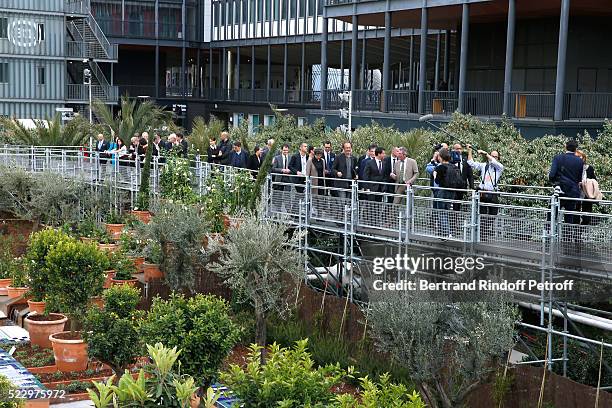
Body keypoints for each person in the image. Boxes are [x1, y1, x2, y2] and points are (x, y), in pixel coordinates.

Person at [549, 140, 584, 225]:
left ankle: (549, 234)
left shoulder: (558, 158)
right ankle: (567, 237)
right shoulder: (580, 161)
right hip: (572, 192)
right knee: (569, 218)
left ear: (565, 146)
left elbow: (552, 175)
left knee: (552, 215)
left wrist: (554, 181)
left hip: (560, 191)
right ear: (576, 149)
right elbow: (579, 179)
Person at [433, 148, 455, 238]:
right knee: (446, 211)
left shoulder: (440, 167)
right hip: (451, 192)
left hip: (442, 192)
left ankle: (447, 233)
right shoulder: (453, 166)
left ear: (441, 157)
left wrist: (435, 176)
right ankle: (444, 233)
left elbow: (437, 181)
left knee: (442, 212)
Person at [575, 150, 598, 225]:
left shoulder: (589, 168)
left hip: (587, 194)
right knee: (575, 215)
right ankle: (575, 234)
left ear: (584, 158)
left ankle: (580, 231)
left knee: (587, 217)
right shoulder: (573, 168)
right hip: (576, 194)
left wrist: (586, 182)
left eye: (580, 157)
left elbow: (594, 180)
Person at [451, 143, 474, 211]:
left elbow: (470, 174)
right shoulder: (450, 159)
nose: (459, 150)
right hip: (452, 186)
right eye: (457, 149)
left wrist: (472, 187)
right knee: (452, 205)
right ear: (453, 150)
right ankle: (452, 220)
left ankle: (455, 221)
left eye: (460, 149)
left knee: (458, 206)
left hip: (461, 187)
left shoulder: (465, 159)